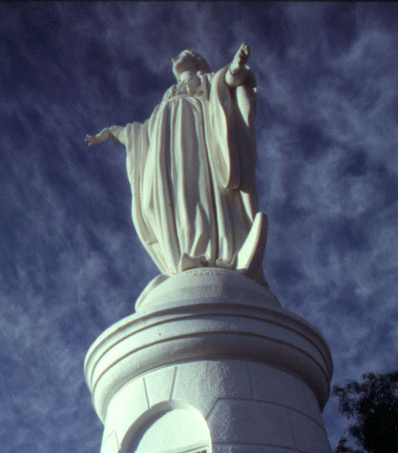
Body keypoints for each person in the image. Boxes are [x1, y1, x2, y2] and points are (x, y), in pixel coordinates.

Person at [85, 44, 267, 282]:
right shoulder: (168, 99)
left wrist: (235, 67)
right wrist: (112, 132)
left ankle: (209, 250)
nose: (178, 56)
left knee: (199, 190)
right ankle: (183, 252)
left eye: (187, 53)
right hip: (167, 151)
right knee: (155, 200)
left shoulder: (209, 80)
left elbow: (230, 82)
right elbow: (141, 132)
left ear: (198, 62)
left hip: (199, 137)